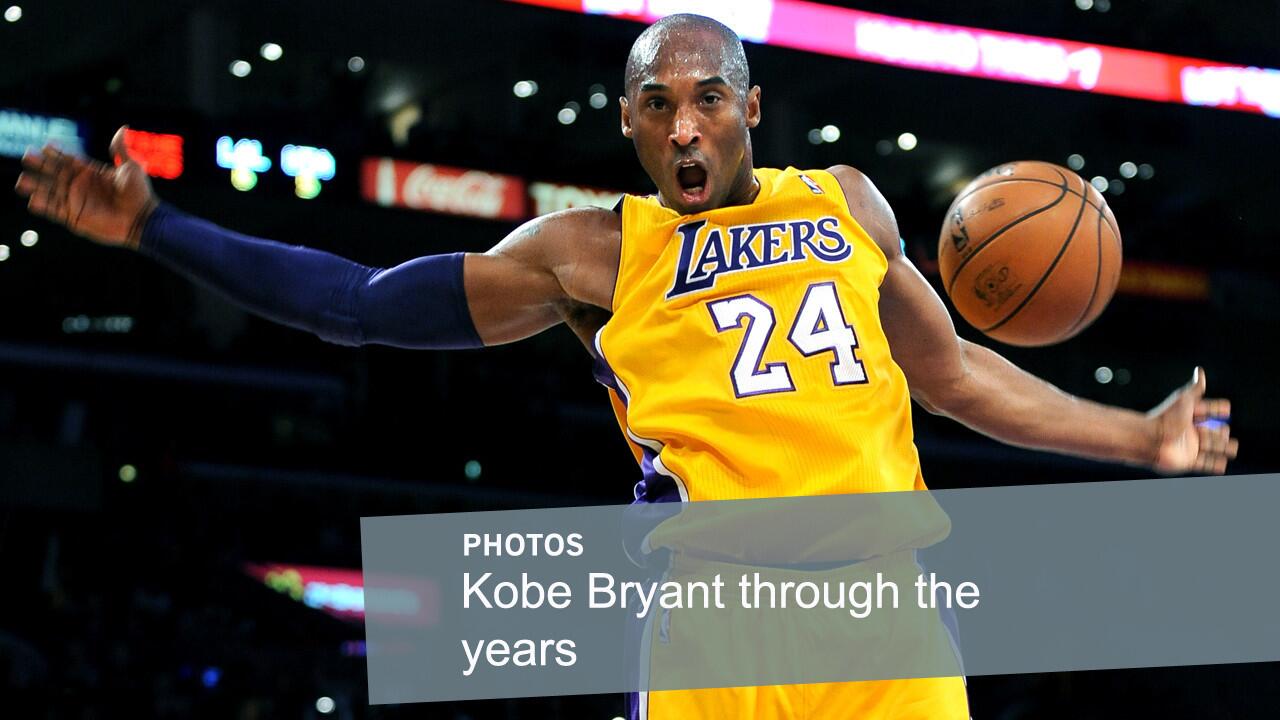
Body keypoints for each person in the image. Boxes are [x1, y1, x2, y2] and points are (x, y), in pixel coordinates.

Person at [15, 13, 1236, 720]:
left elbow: (958, 377)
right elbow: (354, 304)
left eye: (707, 98)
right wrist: (155, 230)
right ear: (628, 122)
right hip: (715, 630)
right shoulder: (592, 252)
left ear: (751, 106)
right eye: (655, 105)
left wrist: (1138, 438)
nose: (684, 124)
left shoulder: (851, 207)